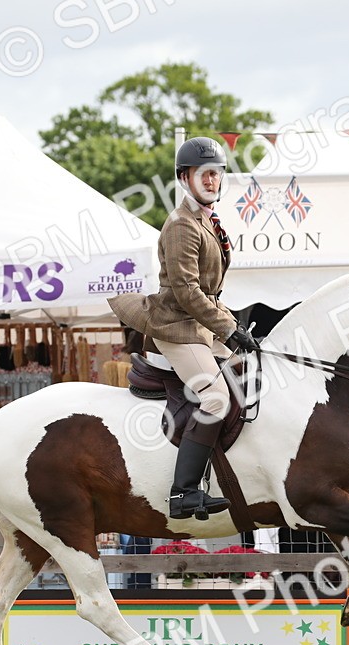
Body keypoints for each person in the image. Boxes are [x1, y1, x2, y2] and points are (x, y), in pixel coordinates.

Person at [108, 137, 259, 520]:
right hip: (176, 326)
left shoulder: (207, 220)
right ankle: (184, 492)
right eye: (204, 174)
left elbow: (209, 291)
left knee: (251, 376)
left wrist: (237, 329)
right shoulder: (180, 225)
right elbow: (188, 292)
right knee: (215, 399)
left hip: (200, 325)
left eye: (216, 174)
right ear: (184, 178)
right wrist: (228, 328)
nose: (211, 180)